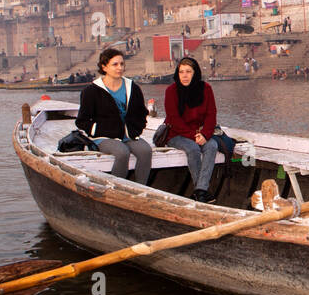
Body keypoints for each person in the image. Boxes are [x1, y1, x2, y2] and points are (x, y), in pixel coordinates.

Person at [76, 47, 152, 184]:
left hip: (128, 134)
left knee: (146, 151)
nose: (120, 68)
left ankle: (142, 188)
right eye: (115, 64)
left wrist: (137, 128)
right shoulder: (91, 91)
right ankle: (116, 188)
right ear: (104, 67)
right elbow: (82, 121)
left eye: (122, 64)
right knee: (122, 152)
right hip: (104, 136)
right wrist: (97, 130)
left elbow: (142, 112)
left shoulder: (132, 87)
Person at [163, 57, 220, 202]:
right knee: (193, 149)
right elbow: (174, 119)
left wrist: (205, 134)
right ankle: (202, 191)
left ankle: (200, 191)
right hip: (176, 133)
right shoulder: (171, 91)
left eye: (188, 71)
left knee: (212, 145)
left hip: (201, 132)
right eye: (181, 72)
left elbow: (211, 114)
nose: (185, 75)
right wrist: (194, 135)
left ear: (195, 73)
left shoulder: (206, 89)